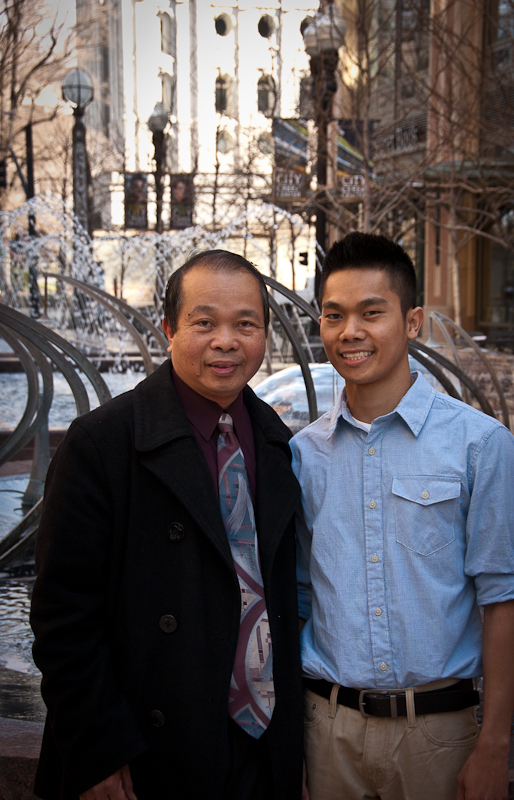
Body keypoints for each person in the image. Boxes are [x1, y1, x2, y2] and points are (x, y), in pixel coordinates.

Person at [30, 250, 304, 800]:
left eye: (245, 324)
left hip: (261, 751)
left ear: (265, 334)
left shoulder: (278, 443)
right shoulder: (102, 443)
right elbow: (63, 617)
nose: (225, 341)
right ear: (169, 329)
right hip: (145, 749)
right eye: (204, 323)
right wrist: (98, 749)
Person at [291, 232, 514, 800]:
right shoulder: (303, 455)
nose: (350, 332)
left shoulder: (479, 444)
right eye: (334, 315)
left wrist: (494, 745)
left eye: (372, 313)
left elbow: (504, 598)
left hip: (439, 735)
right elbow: (299, 594)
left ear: (413, 322)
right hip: (326, 730)